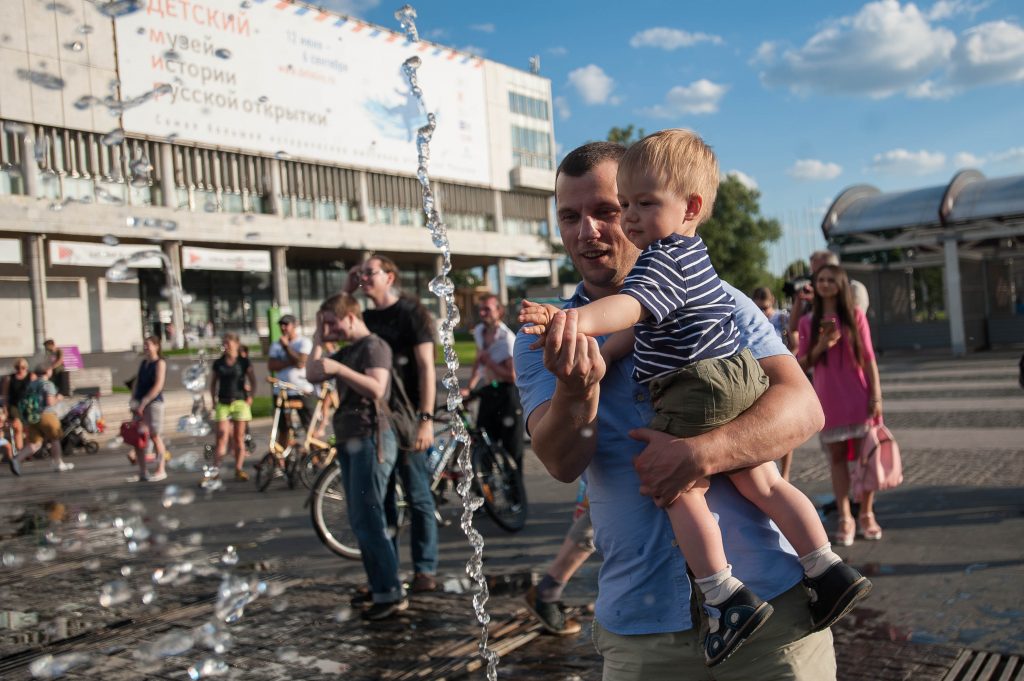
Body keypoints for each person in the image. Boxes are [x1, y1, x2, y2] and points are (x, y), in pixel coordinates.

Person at [519, 130, 868, 666]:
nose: (587, 230)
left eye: (609, 209)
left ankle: (782, 578)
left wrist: (699, 456)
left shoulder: (719, 298)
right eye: (569, 216)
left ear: (678, 208)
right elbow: (563, 462)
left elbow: (804, 409)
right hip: (643, 628)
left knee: (702, 487)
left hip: (776, 615)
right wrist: (575, 388)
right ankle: (821, 565)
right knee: (761, 481)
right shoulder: (543, 341)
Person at [306, 293, 407, 620]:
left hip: (372, 437)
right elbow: (312, 373)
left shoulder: (374, 346)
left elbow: (378, 388)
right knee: (367, 517)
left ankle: (389, 592)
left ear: (350, 317)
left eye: (331, 322)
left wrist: (338, 368)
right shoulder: (347, 350)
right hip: (353, 439)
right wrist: (318, 341)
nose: (329, 329)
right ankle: (383, 586)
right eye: (324, 324)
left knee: (368, 518)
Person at [345, 255, 439, 594]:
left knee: (417, 495)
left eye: (369, 273)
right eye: (359, 274)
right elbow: (342, 323)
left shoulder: (411, 313)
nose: (363, 278)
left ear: (390, 276)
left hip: (410, 414)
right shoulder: (365, 317)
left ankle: (425, 569)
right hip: (377, 419)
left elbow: (427, 367)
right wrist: (347, 287)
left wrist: (426, 419)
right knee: (380, 498)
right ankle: (388, 574)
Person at [797, 264, 884, 546]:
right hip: (828, 396)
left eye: (830, 280)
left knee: (865, 459)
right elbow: (802, 363)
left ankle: (867, 513)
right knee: (836, 459)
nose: (824, 284)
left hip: (857, 395)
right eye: (820, 280)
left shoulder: (855, 316)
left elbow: (869, 358)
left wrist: (876, 395)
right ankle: (845, 516)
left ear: (841, 284)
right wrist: (822, 344)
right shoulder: (808, 322)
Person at [462, 294, 523, 464]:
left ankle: (515, 490)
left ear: (499, 311)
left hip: (507, 395)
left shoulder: (507, 339)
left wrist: (490, 363)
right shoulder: (480, 332)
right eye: (480, 309)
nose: (482, 313)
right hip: (489, 391)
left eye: (487, 309)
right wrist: (470, 387)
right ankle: (486, 486)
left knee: (512, 454)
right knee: (483, 446)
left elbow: (512, 376)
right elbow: (478, 362)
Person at [752, 287, 795, 480]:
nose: (762, 313)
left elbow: (794, 343)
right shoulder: (750, 319)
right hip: (759, 377)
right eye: (758, 308)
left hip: (780, 375)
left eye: (765, 308)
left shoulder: (781, 319)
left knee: (786, 427)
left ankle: (784, 474)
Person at [788, 250, 869, 352]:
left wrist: (817, 302)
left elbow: (851, 324)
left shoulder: (855, 288)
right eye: (814, 274)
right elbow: (793, 327)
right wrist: (798, 299)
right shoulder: (814, 292)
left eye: (821, 271)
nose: (817, 278)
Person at [8, 363, 73, 475]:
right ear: (47, 371)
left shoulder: (31, 384)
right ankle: (58, 463)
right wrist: (58, 398)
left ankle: (16, 460)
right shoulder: (48, 384)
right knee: (55, 438)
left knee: (35, 443)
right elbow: (49, 402)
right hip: (46, 415)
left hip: (33, 417)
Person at [210, 333, 255, 482]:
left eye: (228, 343)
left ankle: (238, 468)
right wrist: (213, 399)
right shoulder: (219, 363)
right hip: (223, 402)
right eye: (224, 343)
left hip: (240, 402)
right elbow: (213, 383)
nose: (226, 346)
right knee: (221, 436)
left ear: (236, 344)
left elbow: (253, 380)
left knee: (238, 438)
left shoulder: (243, 362)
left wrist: (251, 397)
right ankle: (215, 471)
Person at [129, 335, 169, 482]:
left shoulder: (160, 363)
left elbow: (158, 386)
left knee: (154, 435)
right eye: (144, 345)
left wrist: (144, 402)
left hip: (154, 403)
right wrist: (133, 401)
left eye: (148, 345)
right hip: (139, 403)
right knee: (138, 438)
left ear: (157, 346)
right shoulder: (144, 363)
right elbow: (137, 384)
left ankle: (161, 469)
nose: (145, 347)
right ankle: (143, 471)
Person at [2, 359, 32, 451]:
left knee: (28, 428)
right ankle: (20, 450)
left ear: (26, 368)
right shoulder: (9, 378)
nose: (20, 370)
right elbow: (5, 395)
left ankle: (28, 450)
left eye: (23, 367)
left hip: (28, 405)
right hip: (14, 405)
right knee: (17, 426)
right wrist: (5, 409)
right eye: (18, 367)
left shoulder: (31, 376)